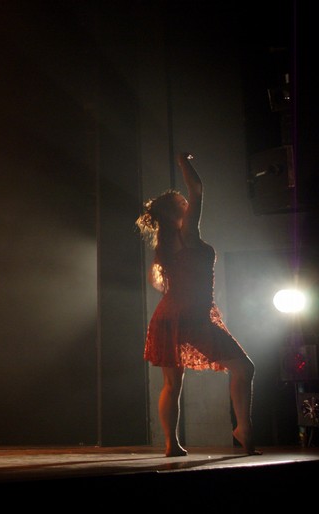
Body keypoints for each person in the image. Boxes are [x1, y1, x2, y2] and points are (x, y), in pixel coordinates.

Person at [136, 152, 259, 457]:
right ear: (175, 212)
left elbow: (160, 283)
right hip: (190, 316)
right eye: (182, 203)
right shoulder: (187, 233)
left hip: (169, 315)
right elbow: (198, 190)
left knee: (172, 384)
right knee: (244, 368)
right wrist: (183, 161)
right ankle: (243, 428)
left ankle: (171, 445)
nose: (187, 204)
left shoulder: (166, 244)